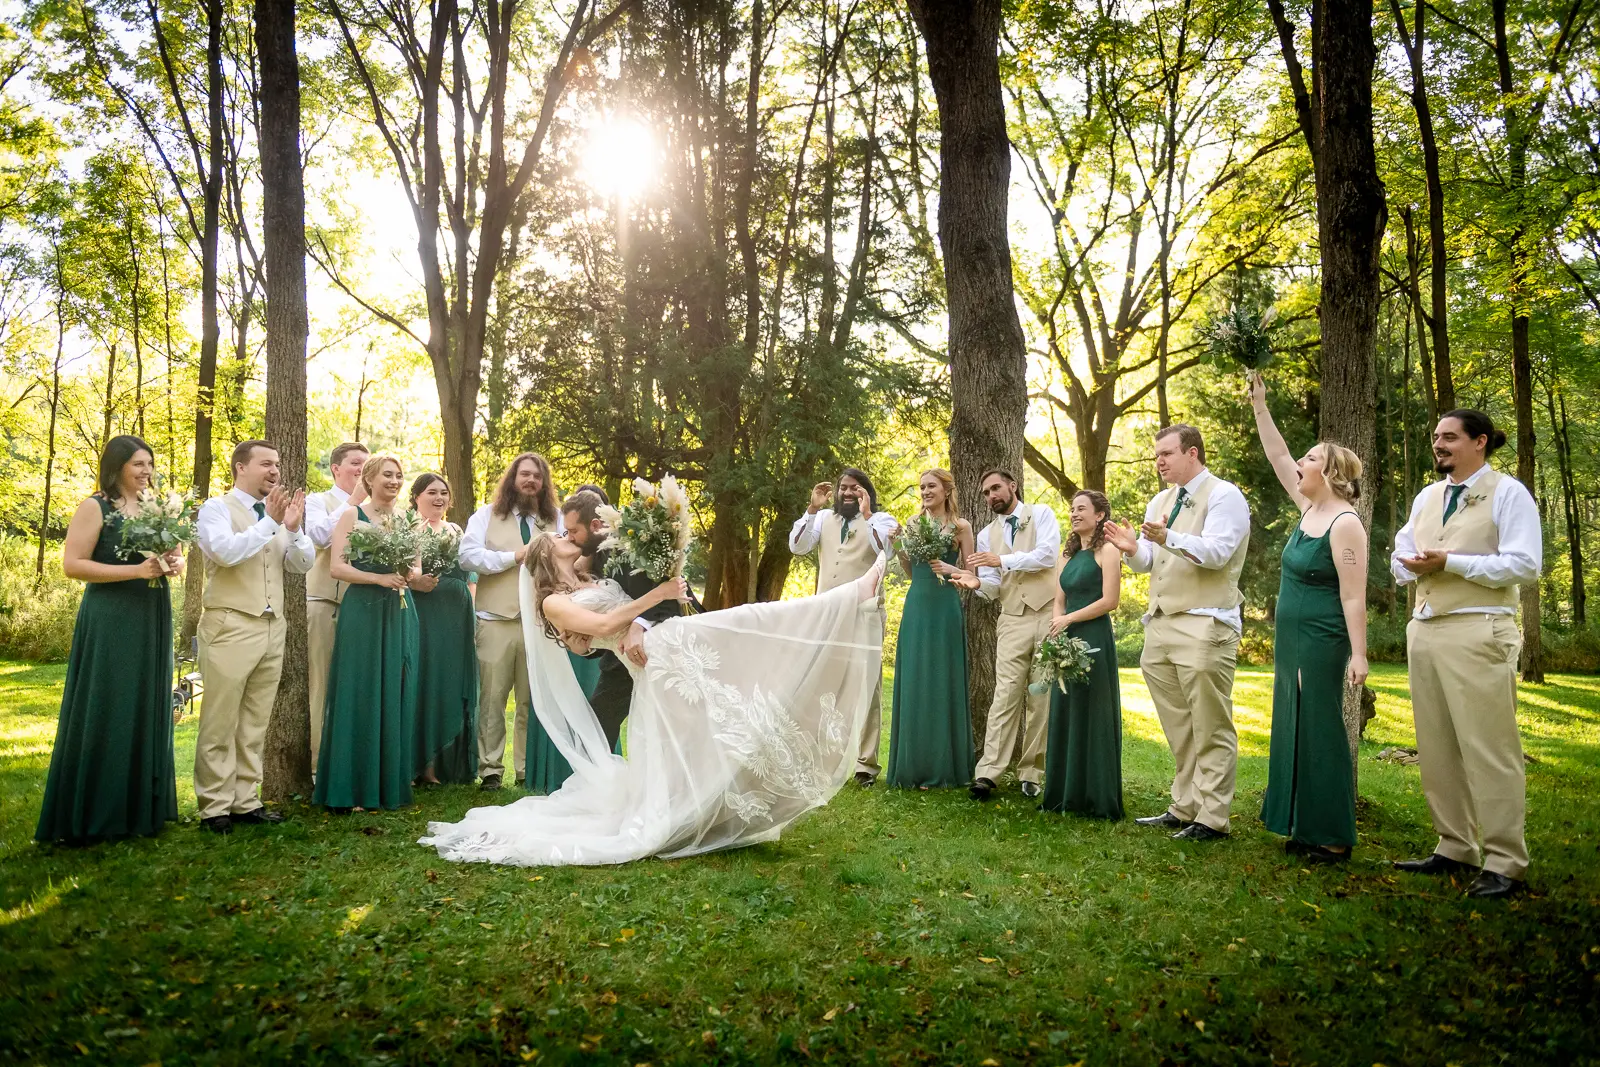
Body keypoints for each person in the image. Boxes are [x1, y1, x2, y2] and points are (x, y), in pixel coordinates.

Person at [419, 537, 886, 866]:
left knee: (734, 665)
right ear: (545, 555)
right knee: (746, 623)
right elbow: (601, 631)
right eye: (559, 536)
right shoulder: (551, 603)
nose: (568, 535)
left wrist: (661, 572)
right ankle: (845, 599)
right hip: (656, 656)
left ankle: (844, 603)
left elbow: (615, 612)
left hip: (665, 645)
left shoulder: (588, 576)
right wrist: (656, 598)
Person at [1390, 410, 1541, 899]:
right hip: (1426, 628)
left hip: (1480, 629)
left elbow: (1524, 563)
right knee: (1436, 748)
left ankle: (1505, 861)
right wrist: (1409, 565)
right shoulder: (1428, 497)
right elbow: (1401, 553)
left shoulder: (1509, 493)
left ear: (1480, 442)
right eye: (1435, 437)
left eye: (1449, 437)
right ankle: (1454, 845)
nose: (1439, 444)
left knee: (1489, 748)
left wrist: (1449, 561)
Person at [35, 436, 185, 845]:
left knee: (145, 700)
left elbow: (173, 553)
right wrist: (135, 573)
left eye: (149, 464)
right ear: (116, 465)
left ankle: (139, 809)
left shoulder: (155, 507)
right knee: (109, 701)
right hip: (111, 615)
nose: (146, 471)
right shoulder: (94, 506)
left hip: (152, 611)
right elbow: (73, 565)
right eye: (137, 464)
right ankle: (96, 810)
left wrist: (173, 562)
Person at [1103, 425, 1250, 842]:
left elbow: (1218, 553)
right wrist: (1133, 549)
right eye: (1156, 455)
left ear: (1193, 453)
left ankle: (1213, 817)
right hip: (1161, 623)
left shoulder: (1225, 496)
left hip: (1206, 622)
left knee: (1210, 723)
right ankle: (1185, 805)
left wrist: (1168, 536)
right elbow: (1151, 560)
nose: (1159, 462)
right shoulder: (1160, 499)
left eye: (1166, 453)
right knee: (1179, 725)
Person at [1250, 376, 1369, 861]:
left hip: (1323, 637)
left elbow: (1354, 597)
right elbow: (1278, 456)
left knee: (1320, 725)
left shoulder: (1345, 523)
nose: (1300, 463)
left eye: (1311, 459)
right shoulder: (1308, 508)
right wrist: (1260, 405)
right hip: (1291, 637)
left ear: (1332, 472)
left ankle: (1335, 835)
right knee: (1293, 721)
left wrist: (1359, 654)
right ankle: (1303, 824)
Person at [193, 440, 313, 834]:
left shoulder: (276, 517)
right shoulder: (216, 509)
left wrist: (293, 530)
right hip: (229, 625)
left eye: (277, 464)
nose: (275, 471)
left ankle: (246, 802)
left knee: (255, 721)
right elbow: (225, 552)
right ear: (240, 468)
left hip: (271, 627)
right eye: (266, 464)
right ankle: (214, 807)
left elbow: (301, 564)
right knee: (219, 720)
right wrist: (271, 523)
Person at [314, 455, 422, 811]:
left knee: (394, 688)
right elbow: (337, 567)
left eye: (399, 475)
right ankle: (350, 787)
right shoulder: (352, 515)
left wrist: (409, 573)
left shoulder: (408, 520)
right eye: (387, 475)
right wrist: (378, 577)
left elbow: (417, 566)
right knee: (358, 689)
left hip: (397, 611)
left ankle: (387, 782)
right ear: (370, 479)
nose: (394, 480)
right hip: (362, 610)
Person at [948, 468, 1061, 801]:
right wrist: (977, 583)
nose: (991, 496)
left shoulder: (1040, 514)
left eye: (996, 488)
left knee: (1040, 695)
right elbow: (995, 587)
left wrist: (1003, 559)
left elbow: (1047, 555)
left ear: (1012, 486)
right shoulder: (985, 536)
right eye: (985, 492)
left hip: (1047, 614)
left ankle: (1031, 772)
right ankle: (987, 773)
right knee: (1005, 694)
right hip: (1011, 619)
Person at [459, 452, 563, 790]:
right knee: (492, 697)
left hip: (539, 623)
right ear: (513, 479)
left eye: (537, 476)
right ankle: (490, 768)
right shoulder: (485, 516)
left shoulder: (556, 519)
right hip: (495, 620)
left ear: (544, 483)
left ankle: (525, 768)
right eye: (525, 475)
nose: (531, 481)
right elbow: (467, 556)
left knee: (532, 700)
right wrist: (512, 557)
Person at [789, 468, 899, 785]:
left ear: (867, 492)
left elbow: (885, 552)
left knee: (868, 686)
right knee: (821, 682)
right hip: (827, 613)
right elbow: (797, 546)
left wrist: (866, 516)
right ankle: (817, 758)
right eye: (843, 488)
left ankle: (866, 764)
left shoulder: (883, 520)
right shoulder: (823, 519)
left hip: (864, 614)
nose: (847, 493)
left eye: (855, 488)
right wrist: (811, 507)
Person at [556, 487, 686, 750]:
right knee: (599, 721)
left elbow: (671, 590)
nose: (569, 538)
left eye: (573, 531)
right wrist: (583, 643)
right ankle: (601, 785)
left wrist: (640, 625)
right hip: (621, 658)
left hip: (667, 646)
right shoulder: (594, 557)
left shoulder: (635, 543)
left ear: (594, 525)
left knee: (672, 729)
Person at [886, 469, 974, 789]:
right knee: (915, 678)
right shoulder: (912, 523)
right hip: (918, 603)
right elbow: (910, 571)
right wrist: (898, 546)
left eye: (931, 486)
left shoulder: (961, 526)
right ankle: (913, 766)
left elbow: (971, 575)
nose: (925, 491)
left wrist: (952, 569)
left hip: (945, 607)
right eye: (922, 487)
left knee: (942, 679)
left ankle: (944, 766)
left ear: (946, 490)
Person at [1039, 490, 1124, 820]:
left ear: (1100, 515)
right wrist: (1057, 626)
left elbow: (1110, 600)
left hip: (1093, 636)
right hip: (1065, 636)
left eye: (1082, 509)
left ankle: (1095, 795)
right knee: (1066, 708)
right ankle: (1064, 791)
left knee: (1093, 711)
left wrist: (1070, 618)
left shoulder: (1109, 551)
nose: (1074, 514)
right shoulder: (1067, 555)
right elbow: (1059, 598)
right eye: (1072, 509)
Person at [303, 441, 369, 767]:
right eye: (356, 464)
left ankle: (352, 762)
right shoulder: (317, 502)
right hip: (324, 603)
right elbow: (317, 537)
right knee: (321, 687)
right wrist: (352, 504)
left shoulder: (375, 509)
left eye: (366, 465)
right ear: (336, 469)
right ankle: (319, 764)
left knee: (357, 687)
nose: (362, 470)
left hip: (364, 609)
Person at [410, 472, 477, 786]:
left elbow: (471, 575)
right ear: (417, 497)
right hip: (425, 612)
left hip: (457, 614)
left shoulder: (456, 530)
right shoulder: (408, 526)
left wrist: (472, 612)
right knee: (425, 679)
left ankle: (448, 765)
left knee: (450, 680)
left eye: (444, 493)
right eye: (431, 492)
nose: (439, 498)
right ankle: (421, 764)